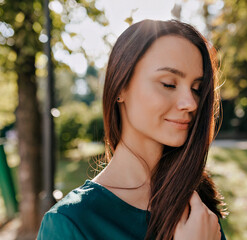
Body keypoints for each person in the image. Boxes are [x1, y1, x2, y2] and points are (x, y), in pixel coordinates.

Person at [37, 19, 226, 240]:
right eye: (168, 84)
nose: (191, 103)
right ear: (120, 87)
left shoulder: (196, 202)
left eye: (197, 89)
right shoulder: (69, 223)